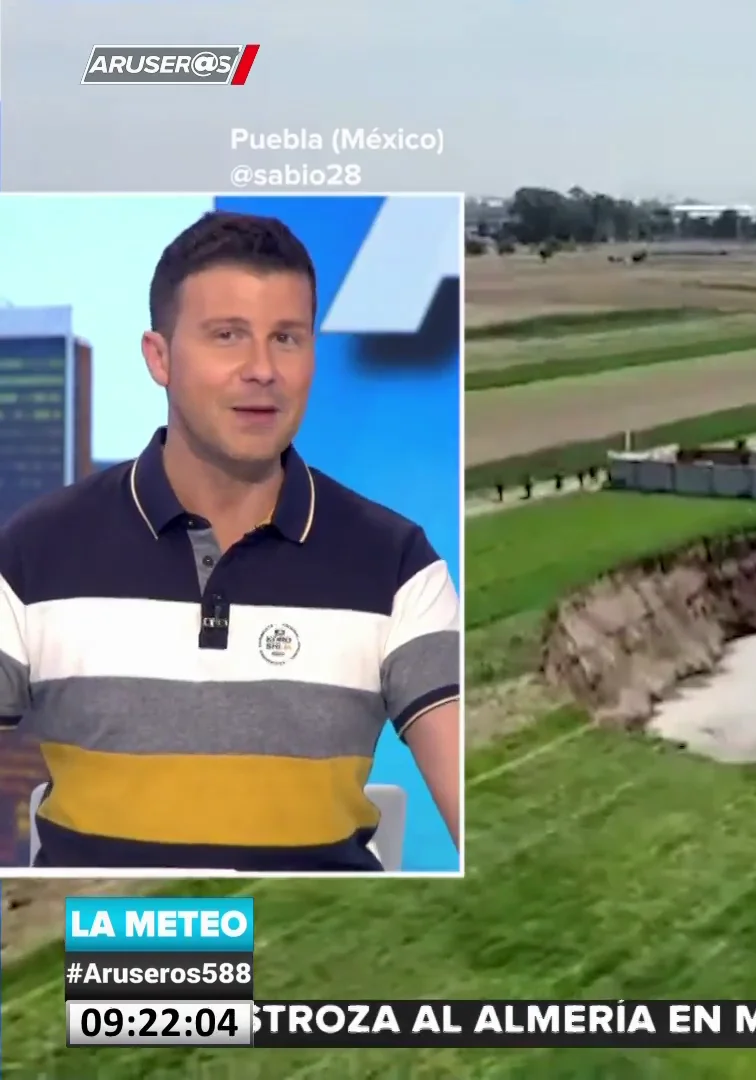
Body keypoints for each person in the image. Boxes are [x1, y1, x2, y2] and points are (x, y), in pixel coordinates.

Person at [0, 211, 461, 871]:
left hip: (314, 954)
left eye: (287, 338)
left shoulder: (397, 565)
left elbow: (485, 815)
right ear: (159, 358)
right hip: (110, 956)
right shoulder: (32, 554)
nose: (262, 369)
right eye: (227, 336)